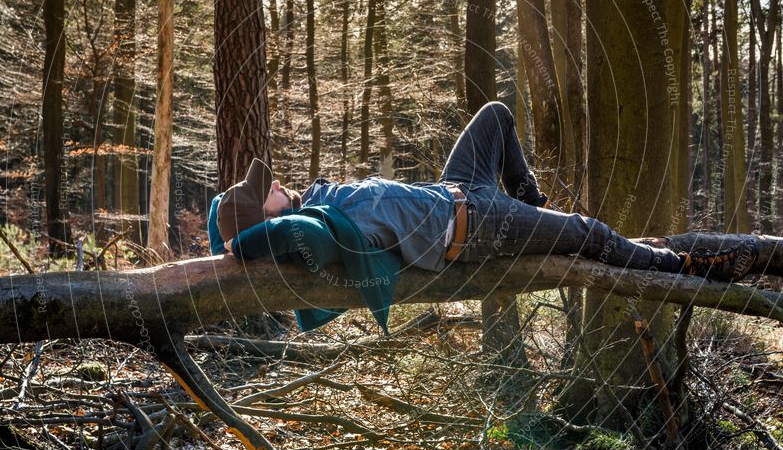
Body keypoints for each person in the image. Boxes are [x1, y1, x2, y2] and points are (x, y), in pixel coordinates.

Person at [208, 102, 759, 332]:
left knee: (496, 114)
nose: (276, 183)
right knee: (591, 234)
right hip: (474, 227)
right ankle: (679, 263)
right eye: (267, 193)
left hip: (462, 190)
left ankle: (532, 207)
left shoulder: (319, 198)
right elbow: (293, 236)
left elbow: (292, 213)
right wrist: (245, 242)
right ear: (263, 218)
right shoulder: (317, 231)